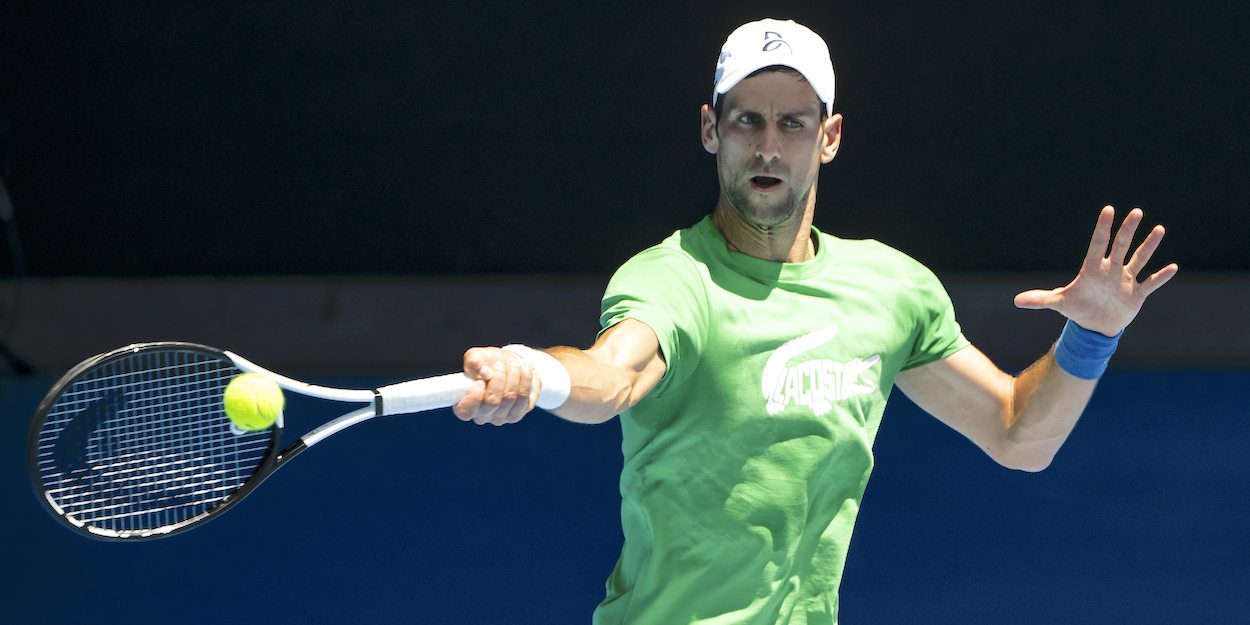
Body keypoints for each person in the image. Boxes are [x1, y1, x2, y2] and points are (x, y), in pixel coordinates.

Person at [452, 18, 1177, 625]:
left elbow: (1020, 435)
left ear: (828, 136)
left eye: (792, 124)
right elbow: (611, 374)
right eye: (748, 121)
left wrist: (1092, 336)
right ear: (712, 128)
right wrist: (539, 371)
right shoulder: (671, 279)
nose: (768, 147)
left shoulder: (891, 290)